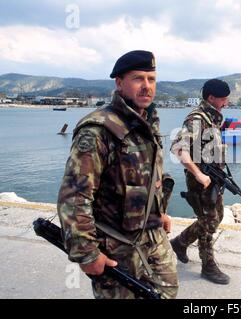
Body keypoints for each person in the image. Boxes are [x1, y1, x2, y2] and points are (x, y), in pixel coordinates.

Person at [57, 50, 178, 299]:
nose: (146, 86)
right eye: (138, 78)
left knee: (167, 292)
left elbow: (147, 176)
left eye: (151, 79)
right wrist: (87, 253)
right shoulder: (98, 130)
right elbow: (75, 195)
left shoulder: (147, 121)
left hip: (152, 237)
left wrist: (159, 212)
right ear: (119, 83)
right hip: (117, 247)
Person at [170, 79, 231, 285]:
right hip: (201, 181)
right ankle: (208, 266)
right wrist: (198, 174)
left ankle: (180, 243)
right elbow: (179, 149)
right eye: (223, 99)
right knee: (208, 221)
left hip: (213, 179)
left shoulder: (211, 118)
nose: (226, 103)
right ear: (211, 98)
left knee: (216, 216)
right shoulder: (197, 119)